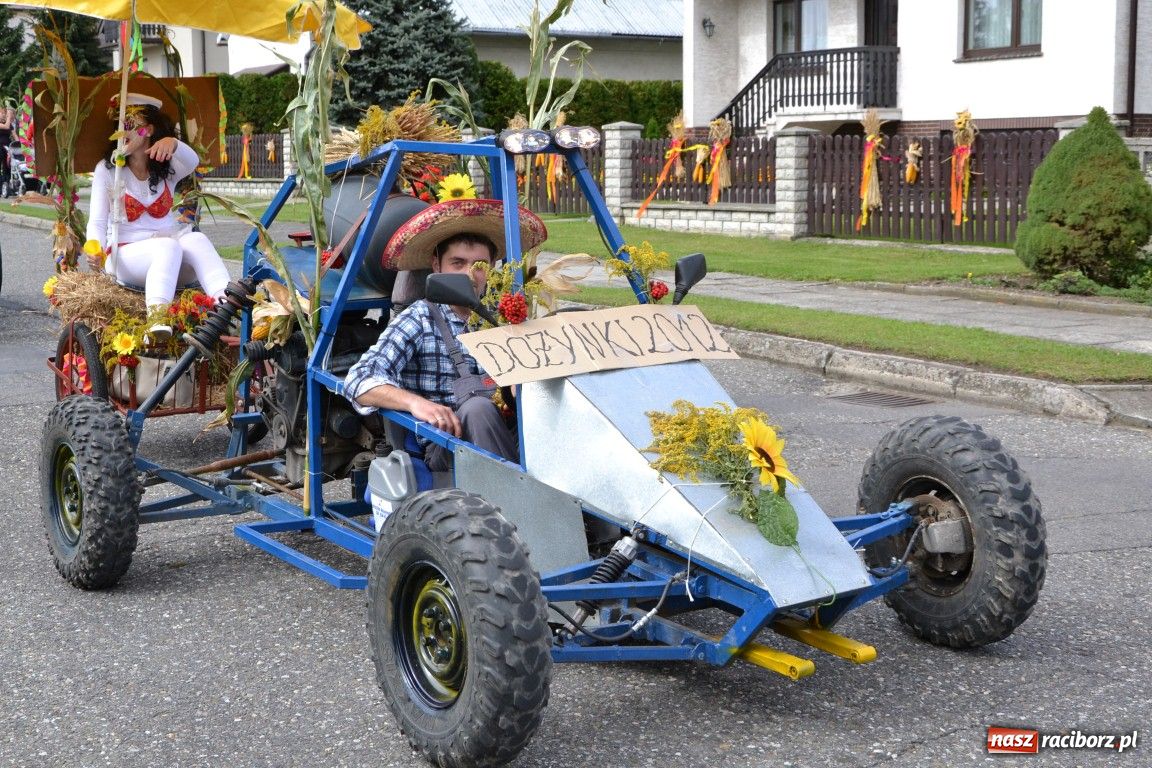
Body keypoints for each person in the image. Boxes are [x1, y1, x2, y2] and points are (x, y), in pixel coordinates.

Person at [343, 198, 547, 470]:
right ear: (436, 265)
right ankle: (521, 503)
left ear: (492, 269)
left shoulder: (503, 315)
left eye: (479, 266)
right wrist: (416, 404)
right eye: (457, 263)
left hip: (510, 435)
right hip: (448, 448)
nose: (469, 274)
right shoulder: (420, 318)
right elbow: (359, 380)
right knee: (477, 409)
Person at [84, 93, 230, 340]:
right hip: (125, 256)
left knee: (196, 240)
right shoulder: (108, 170)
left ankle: (227, 306)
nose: (123, 131)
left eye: (130, 124)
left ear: (148, 130)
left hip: (168, 255)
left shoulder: (167, 169)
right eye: (119, 126)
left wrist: (173, 143)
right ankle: (157, 320)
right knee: (168, 247)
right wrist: (94, 248)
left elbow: (192, 161)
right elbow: (97, 221)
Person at [0, 98, 16, 196]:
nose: (4, 114)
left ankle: (7, 187)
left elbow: (15, 135)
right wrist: (9, 117)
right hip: (0, 147)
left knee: (8, 166)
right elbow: (6, 127)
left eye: (4, 113)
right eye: (2, 113)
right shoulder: (4, 124)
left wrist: (20, 144)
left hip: (8, 147)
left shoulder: (8, 123)